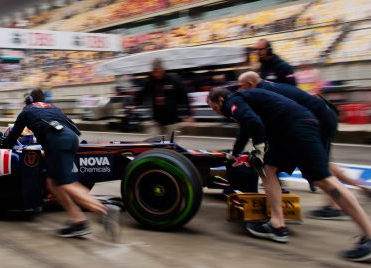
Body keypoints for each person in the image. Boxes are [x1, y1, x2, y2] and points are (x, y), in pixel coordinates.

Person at [207, 87, 371, 262]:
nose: (216, 112)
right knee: (268, 169)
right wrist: (234, 154)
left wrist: (260, 147)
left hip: (297, 127)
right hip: (287, 130)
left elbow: (253, 122)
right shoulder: (244, 100)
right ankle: (277, 226)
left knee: (325, 181)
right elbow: (246, 130)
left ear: (221, 100)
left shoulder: (233, 102)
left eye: (214, 108)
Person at [238, 71, 371, 220]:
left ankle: (335, 207)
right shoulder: (272, 86)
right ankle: (361, 187)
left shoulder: (261, 92)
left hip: (318, 119)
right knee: (324, 162)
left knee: (321, 166)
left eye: (242, 87)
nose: (241, 92)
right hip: (323, 115)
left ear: (250, 84)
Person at [0, 88, 121, 241]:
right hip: (71, 139)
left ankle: (103, 210)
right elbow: (73, 128)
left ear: (29, 100)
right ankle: (78, 221)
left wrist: (3, 145)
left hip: (57, 142)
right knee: (53, 183)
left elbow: (12, 137)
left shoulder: (27, 110)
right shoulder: (54, 108)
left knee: (66, 183)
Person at [136, 58, 193, 135]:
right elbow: (141, 95)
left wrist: (188, 115)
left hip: (172, 121)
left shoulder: (173, 80)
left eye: (158, 70)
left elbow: (184, 97)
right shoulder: (150, 82)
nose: (156, 73)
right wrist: (136, 103)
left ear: (163, 69)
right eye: (154, 71)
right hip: (156, 120)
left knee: (170, 145)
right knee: (153, 142)